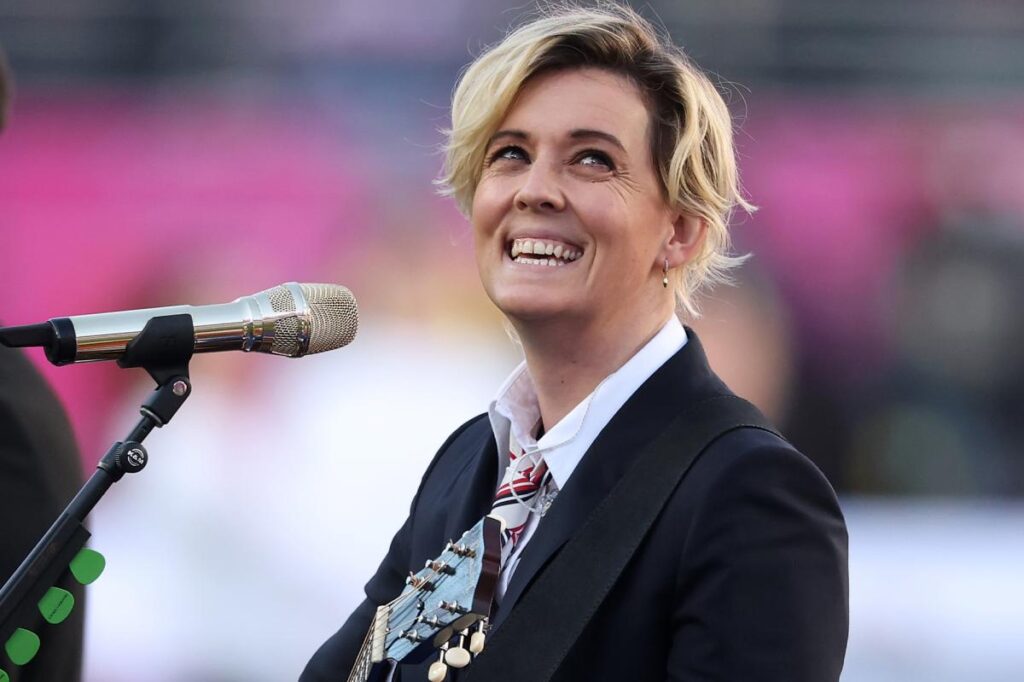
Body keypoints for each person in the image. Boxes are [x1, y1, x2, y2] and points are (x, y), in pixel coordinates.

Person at [302, 4, 848, 680]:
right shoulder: (466, 464)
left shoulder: (749, 492)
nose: (535, 190)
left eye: (592, 160)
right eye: (510, 155)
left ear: (681, 231)